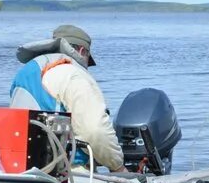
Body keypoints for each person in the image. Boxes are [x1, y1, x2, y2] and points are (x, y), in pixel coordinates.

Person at [10, 24, 124, 170]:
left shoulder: (25, 73)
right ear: (83, 51)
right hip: (65, 172)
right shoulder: (73, 74)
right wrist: (118, 166)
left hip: (22, 167)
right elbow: (95, 131)